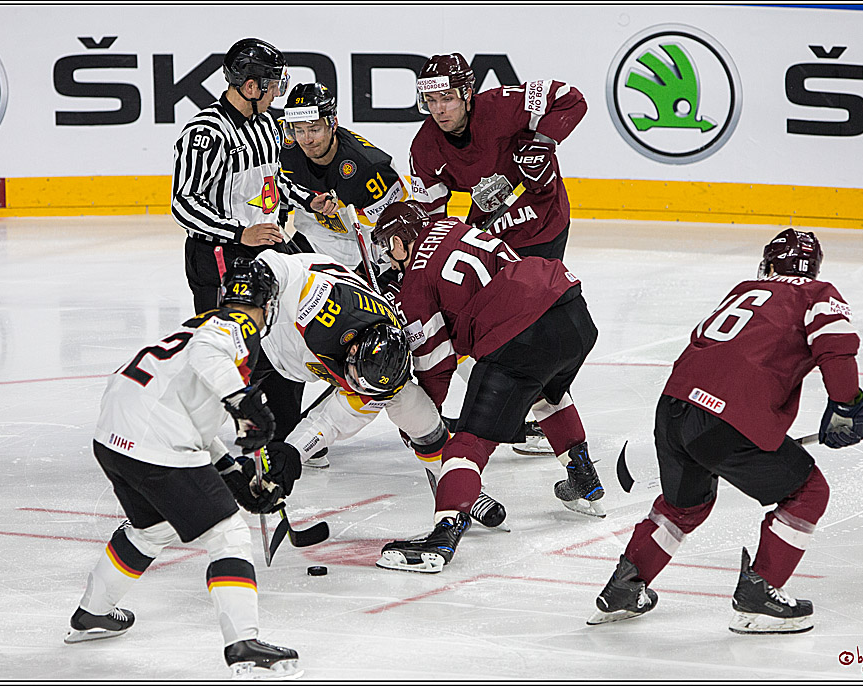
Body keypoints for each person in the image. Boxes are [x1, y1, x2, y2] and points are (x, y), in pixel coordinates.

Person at [587, 229, 863, 635]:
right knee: (808, 492)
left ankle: (623, 588)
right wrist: (847, 404)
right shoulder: (817, 294)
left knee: (684, 506)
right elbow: (836, 344)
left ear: (770, 264)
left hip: (673, 406)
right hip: (726, 416)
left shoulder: (745, 290)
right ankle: (760, 595)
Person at [64, 259, 303, 678]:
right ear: (267, 304)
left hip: (114, 437)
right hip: (155, 441)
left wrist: (232, 475)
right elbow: (209, 355)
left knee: (153, 529)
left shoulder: (201, 323)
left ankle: (92, 613)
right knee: (227, 533)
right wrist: (244, 404)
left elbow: (191, 413)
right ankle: (243, 644)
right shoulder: (236, 326)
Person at [370, 201, 605, 574]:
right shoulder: (451, 226)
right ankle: (583, 478)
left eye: (387, 247)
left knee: (467, 444)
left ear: (399, 242)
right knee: (546, 391)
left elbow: (435, 364)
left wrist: (422, 423)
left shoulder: (414, 283)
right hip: (570, 310)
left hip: (518, 335)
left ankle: (442, 538)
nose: (389, 258)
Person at [250, 249, 508, 531]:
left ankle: (455, 481)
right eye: (353, 377)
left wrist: (293, 452)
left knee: (409, 403)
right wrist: (256, 283)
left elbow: (330, 421)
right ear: (352, 348)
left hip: (301, 360)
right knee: (224, 392)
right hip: (266, 328)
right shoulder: (326, 306)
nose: (353, 387)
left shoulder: (381, 375)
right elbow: (282, 266)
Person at [408, 52, 587, 455]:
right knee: (502, 328)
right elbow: (430, 221)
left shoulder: (503, 105)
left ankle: (547, 414)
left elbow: (571, 99)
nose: (439, 110)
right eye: (431, 101)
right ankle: (534, 408)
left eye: (447, 99)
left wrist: (543, 141)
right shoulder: (425, 148)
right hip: (492, 239)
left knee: (534, 321)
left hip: (542, 223)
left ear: (467, 94)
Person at [171, 38, 340, 456]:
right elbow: (184, 203)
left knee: (284, 339)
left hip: (265, 252)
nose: (277, 91)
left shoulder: (266, 125)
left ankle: (283, 431)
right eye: (272, 84)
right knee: (226, 348)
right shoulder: (206, 132)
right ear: (250, 86)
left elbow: (273, 183)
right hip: (219, 257)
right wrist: (238, 234)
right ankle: (196, 435)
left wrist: (308, 200)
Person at [277, 81, 409, 275]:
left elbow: (395, 229)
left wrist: (373, 269)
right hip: (313, 236)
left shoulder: (370, 168)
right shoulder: (282, 145)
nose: (307, 140)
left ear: (333, 124)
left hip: (361, 248)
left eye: (314, 129)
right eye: (299, 130)